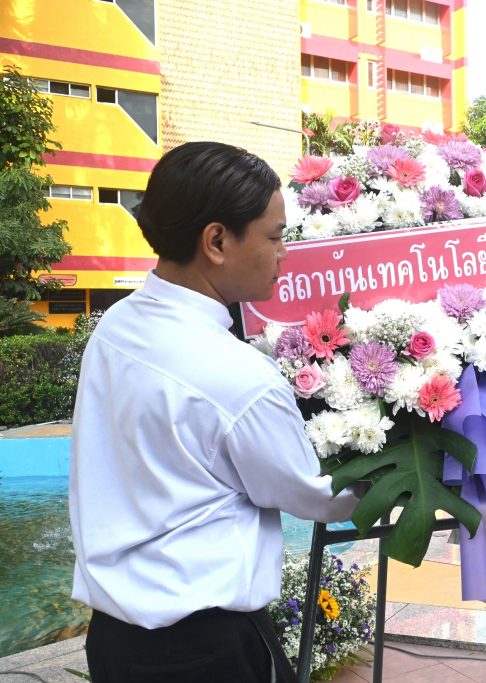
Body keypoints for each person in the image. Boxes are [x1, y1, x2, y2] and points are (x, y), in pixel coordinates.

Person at [69, 141, 360, 682]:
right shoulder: (238, 377)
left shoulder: (115, 328)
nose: (284, 255)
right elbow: (319, 494)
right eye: (274, 237)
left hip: (113, 642)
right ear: (217, 241)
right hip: (202, 652)